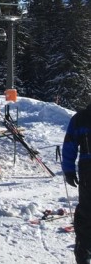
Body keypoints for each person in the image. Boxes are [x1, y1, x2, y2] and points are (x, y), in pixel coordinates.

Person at [62, 101, 91, 264]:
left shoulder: (79, 118)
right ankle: (83, 253)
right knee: (87, 212)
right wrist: (69, 170)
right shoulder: (80, 119)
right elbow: (69, 144)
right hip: (88, 170)